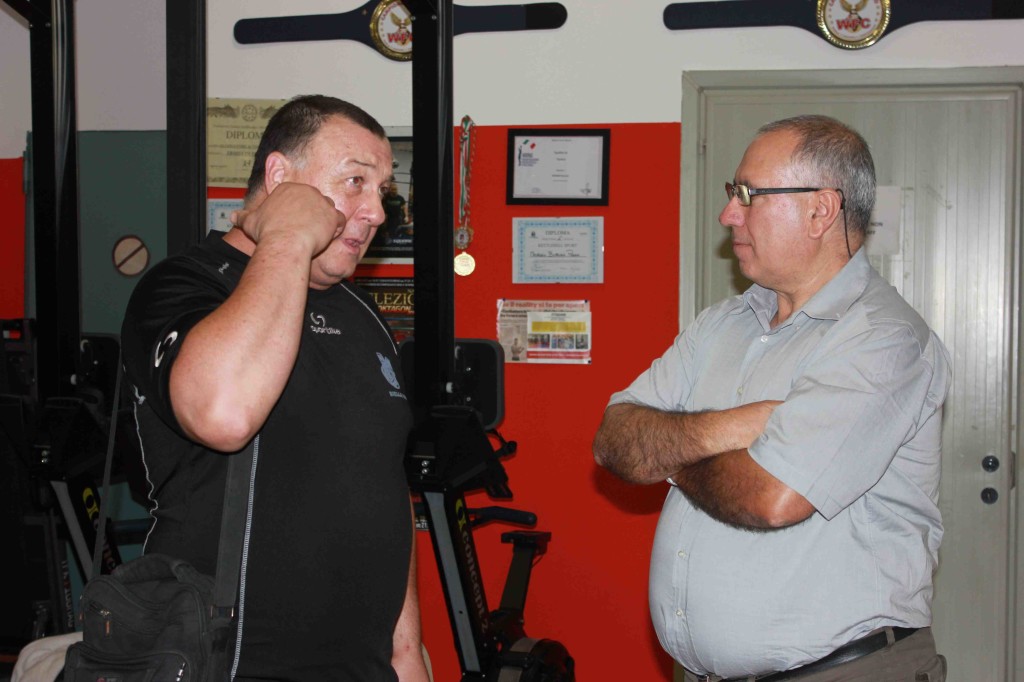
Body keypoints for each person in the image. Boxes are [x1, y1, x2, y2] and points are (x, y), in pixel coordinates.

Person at [592, 115, 951, 682]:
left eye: (748, 195)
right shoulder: (721, 324)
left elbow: (771, 497)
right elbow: (614, 438)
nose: (728, 213)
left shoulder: (883, 337)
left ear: (821, 210)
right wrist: (734, 429)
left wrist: (668, 458)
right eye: (734, 194)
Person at [120, 95, 430, 682]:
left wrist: (407, 653)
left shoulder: (364, 316)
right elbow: (224, 412)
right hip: (225, 664)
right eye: (355, 182)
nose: (377, 213)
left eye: (382, 191)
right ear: (280, 178)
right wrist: (286, 236)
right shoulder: (181, 286)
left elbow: (384, 485)